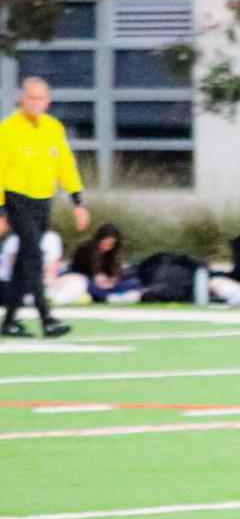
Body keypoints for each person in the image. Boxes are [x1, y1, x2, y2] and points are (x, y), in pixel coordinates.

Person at [0, 76, 84, 337]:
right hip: (17, 199)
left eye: (41, 98)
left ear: (48, 101)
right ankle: (46, 317)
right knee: (34, 255)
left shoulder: (53, 128)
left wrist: (77, 201)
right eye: (32, 97)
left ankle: (10, 320)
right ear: (21, 99)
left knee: (26, 258)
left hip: (42, 200)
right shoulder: (9, 129)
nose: (37, 103)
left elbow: (65, 166)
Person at [0, 211, 66, 306]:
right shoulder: (14, 239)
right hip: (12, 284)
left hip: (39, 283)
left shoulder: (51, 238)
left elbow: (51, 272)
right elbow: (17, 270)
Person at [66, 223, 141, 303]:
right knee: (87, 284)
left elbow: (114, 271)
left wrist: (111, 279)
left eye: (111, 244)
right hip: (86, 278)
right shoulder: (85, 248)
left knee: (134, 282)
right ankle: (108, 298)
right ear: (99, 239)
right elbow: (81, 270)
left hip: (106, 282)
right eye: (105, 243)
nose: (108, 246)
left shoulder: (112, 252)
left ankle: (117, 296)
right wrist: (97, 277)